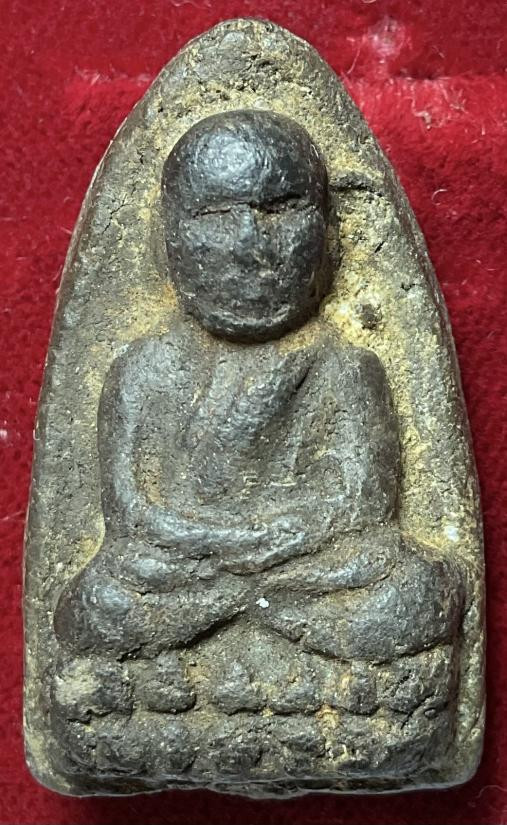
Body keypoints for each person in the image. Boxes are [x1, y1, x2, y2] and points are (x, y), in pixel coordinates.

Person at [54, 110, 463, 672]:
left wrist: (272, 542)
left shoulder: (345, 365)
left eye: (282, 210)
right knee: (99, 603)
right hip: (186, 570)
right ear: (165, 237)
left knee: (412, 591)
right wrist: (222, 546)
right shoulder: (143, 369)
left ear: (329, 232)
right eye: (217, 216)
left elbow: (362, 503)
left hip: (301, 568)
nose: (252, 243)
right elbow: (130, 512)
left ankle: (244, 625)